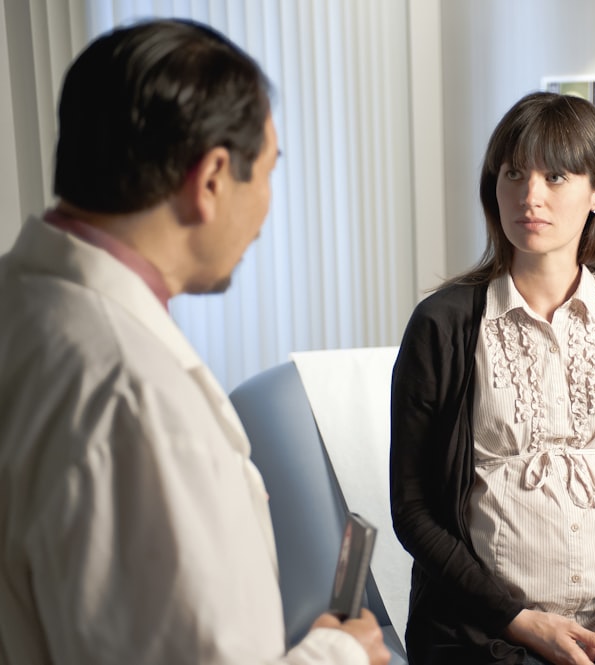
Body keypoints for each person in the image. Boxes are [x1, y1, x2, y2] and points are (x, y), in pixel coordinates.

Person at [0, 18, 389, 665]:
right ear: (210, 179)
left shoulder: (24, 304)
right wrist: (339, 653)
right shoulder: (135, 398)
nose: (265, 211)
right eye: (265, 173)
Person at [389, 91, 595, 665]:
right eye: (514, 174)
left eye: (556, 176)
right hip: (489, 622)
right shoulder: (442, 323)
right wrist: (518, 621)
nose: (530, 196)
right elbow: (414, 509)